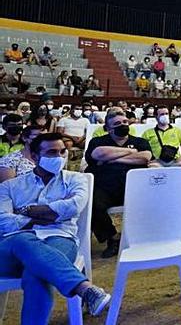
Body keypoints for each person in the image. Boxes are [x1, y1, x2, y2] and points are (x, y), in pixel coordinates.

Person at [0, 133, 113, 322]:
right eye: (52, 152)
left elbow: (73, 206)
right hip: (11, 247)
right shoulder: (10, 186)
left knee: (36, 275)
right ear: (35, 157)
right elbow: (3, 221)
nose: (59, 157)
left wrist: (26, 211)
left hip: (59, 237)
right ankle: (84, 288)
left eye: (62, 151)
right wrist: (44, 215)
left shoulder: (76, 179)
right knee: (22, 239)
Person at [85, 108, 153, 257]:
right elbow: (98, 154)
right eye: (117, 123)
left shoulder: (139, 141)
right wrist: (132, 152)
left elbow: (145, 157)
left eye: (124, 122)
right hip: (104, 187)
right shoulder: (98, 141)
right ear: (108, 128)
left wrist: (112, 158)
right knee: (91, 203)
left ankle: (142, 236)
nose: (123, 125)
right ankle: (112, 238)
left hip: (133, 187)